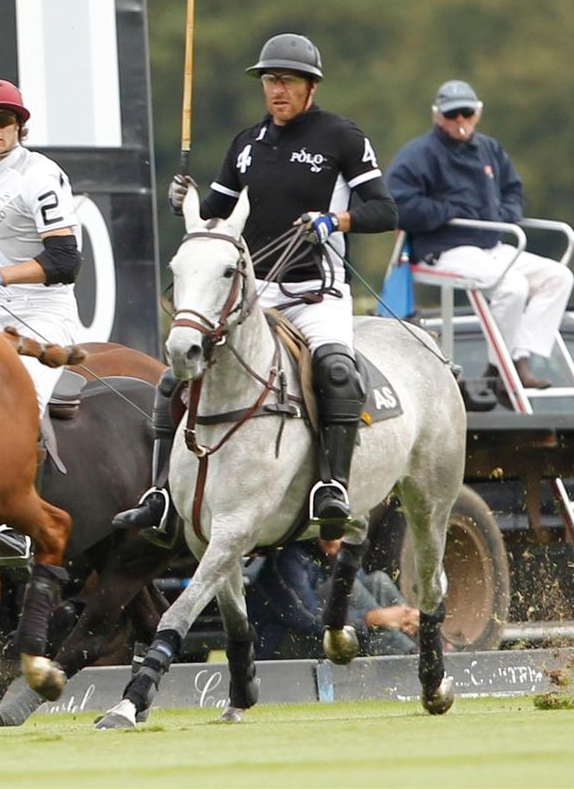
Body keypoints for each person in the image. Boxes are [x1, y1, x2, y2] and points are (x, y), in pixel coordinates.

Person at [115, 34, 398, 543]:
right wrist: (183, 200)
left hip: (316, 292)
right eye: (270, 80)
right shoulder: (247, 144)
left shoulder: (341, 137)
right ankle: (160, 495)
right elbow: (214, 217)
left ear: (311, 86)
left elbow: (385, 210)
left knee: (337, 371)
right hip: (253, 294)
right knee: (175, 378)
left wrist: (334, 221)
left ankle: (331, 487)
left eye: (287, 80)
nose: (277, 90)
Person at [0, 80, 84, 560]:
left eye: (3, 120)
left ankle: (21, 523)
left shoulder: (40, 174)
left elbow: (65, 260)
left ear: (20, 125)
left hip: (43, 311)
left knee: (19, 402)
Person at [386, 79, 574, 392]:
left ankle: (517, 359)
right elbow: (397, 205)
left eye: (466, 112)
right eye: (452, 114)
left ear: (478, 113)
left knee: (559, 277)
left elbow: (513, 190)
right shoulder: (419, 154)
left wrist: (503, 216)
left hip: (490, 244)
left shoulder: (489, 149)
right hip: (444, 248)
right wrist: (447, 211)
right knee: (512, 286)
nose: (460, 120)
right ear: (437, 116)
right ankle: (503, 368)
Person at [248, 537, 419, 659]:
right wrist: (371, 619)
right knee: (348, 586)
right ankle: (408, 656)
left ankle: (422, 641)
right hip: (281, 642)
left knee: (378, 581)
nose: (334, 536)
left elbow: (367, 595)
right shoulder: (289, 558)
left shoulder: (341, 552)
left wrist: (399, 617)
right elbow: (307, 620)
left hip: (333, 630)